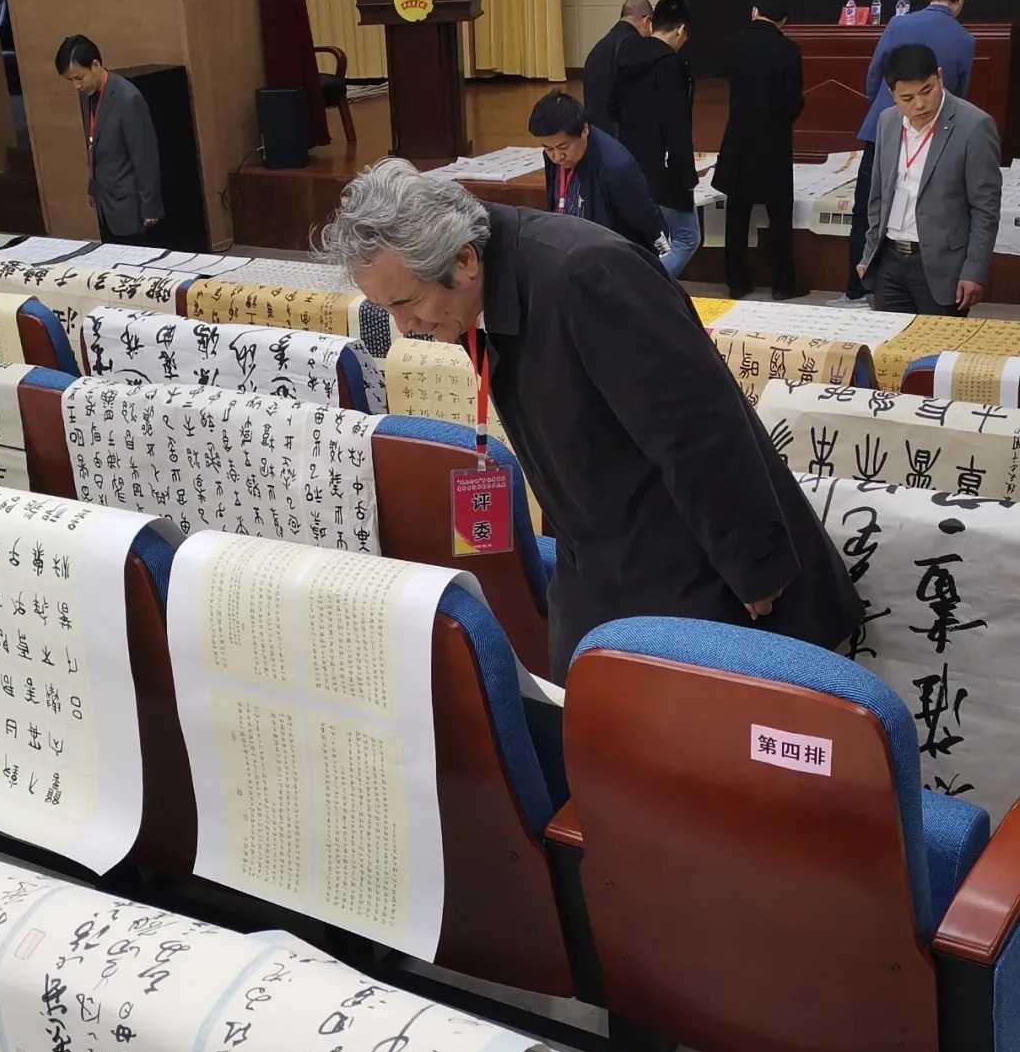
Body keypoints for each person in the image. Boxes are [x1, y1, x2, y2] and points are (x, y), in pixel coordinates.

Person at [319, 160, 862, 681]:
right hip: (597, 554)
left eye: (407, 302)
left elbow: (700, 429)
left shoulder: (586, 275)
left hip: (689, 561)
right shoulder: (480, 284)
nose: (404, 325)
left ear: (464, 261)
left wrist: (756, 567)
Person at [847, 0, 974, 299]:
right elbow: (958, 95)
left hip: (883, 130)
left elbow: (875, 75)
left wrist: (887, 113)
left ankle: (857, 290)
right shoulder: (965, 40)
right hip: (935, 139)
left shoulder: (898, 23)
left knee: (868, 209)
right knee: (928, 209)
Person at [858, 42, 1001, 316]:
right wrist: (869, 252)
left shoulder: (974, 126)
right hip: (889, 261)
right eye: (907, 98)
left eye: (927, 90)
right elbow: (878, 196)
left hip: (941, 266)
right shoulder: (887, 122)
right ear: (892, 94)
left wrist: (974, 270)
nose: (920, 104)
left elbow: (986, 208)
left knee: (936, 343)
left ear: (940, 77)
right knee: (891, 340)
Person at [713, 0, 804, 301]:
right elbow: (793, 102)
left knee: (737, 214)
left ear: (754, 11)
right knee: (780, 216)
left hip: (738, 140)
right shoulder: (789, 51)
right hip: (774, 143)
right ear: (784, 21)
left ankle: (737, 282)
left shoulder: (733, 45)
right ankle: (783, 283)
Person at [610, 0, 701, 279]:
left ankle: (641, 288)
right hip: (664, 167)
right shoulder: (669, 64)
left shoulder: (625, 56)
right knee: (686, 238)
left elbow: (612, 106)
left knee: (651, 240)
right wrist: (687, 177)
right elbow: (677, 127)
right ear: (681, 29)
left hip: (631, 161)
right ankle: (642, 291)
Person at [527, 90, 667, 253]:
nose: (557, 157)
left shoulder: (616, 168)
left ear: (584, 129)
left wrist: (661, 254)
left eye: (563, 147)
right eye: (548, 148)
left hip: (610, 256)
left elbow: (648, 222)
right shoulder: (554, 156)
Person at [55, 34, 163, 245]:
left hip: (129, 204)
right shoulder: (87, 95)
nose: (76, 86)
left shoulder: (128, 98)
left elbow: (145, 157)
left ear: (95, 64)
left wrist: (151, 206)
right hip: (105, 203)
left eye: (79, 78)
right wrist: (93, 186)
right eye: (71, 80)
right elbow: (94, 142)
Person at [581, 0, 653, 135]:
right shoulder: (632, 44)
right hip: (618, 135)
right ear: (647, 20)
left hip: (595, 132)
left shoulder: (601, 46)